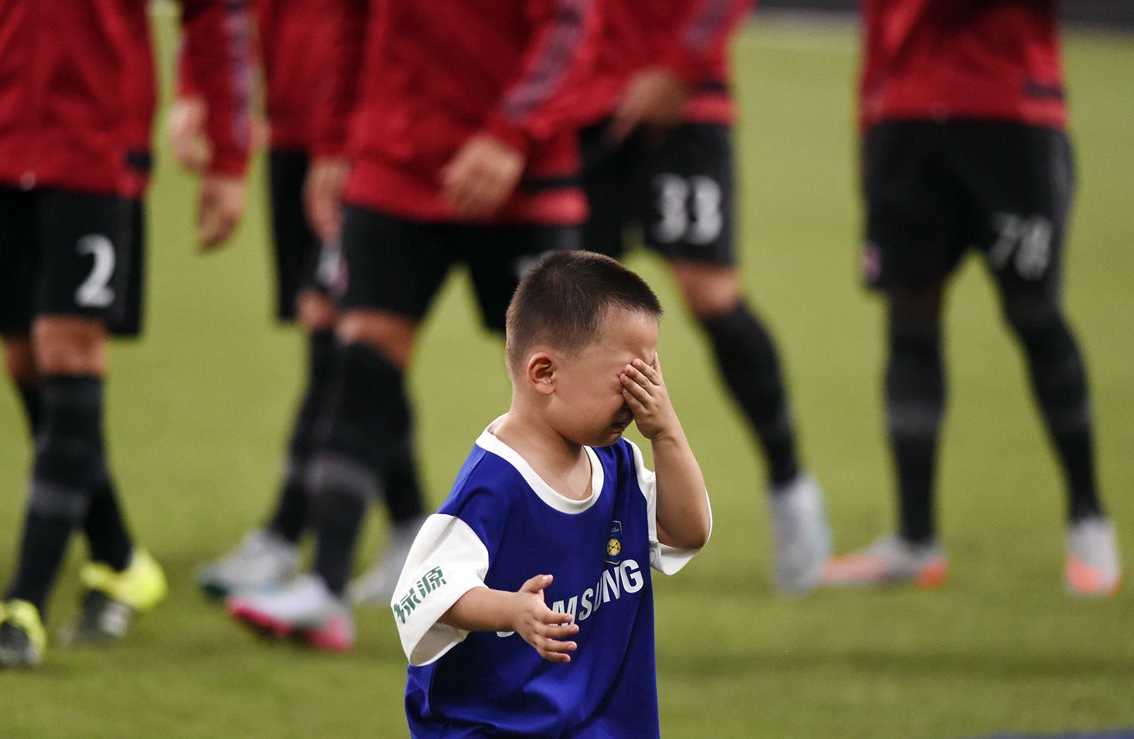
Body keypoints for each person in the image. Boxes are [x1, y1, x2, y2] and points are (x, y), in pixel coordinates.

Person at [223, 0, 598, 651]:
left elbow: (572, 23)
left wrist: (511, 133)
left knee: (564, 382)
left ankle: (578, 596)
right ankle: (325, 587)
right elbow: (353, 22)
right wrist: (336, 139)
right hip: (397, 158)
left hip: (522, 170)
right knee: (363, 359)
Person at [0, 0, 252, 668]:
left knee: (68, 350)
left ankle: (22, 605)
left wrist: (228, 154)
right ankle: (117, 557)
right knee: (23, 358)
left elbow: (213, 13)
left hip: (93, 146)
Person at [822, 0, 1121, 595]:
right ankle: (914, 538)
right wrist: (869, 119)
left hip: (1008, 111)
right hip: (904, 118)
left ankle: (1089, 521)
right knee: (909, 319)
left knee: (1033, 314)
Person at [169, 0, 427, 605]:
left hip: (360, 132)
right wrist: (197, 87)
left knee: (341, 329)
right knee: (340, 333)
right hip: (291, 125)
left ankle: (288, 532)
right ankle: (408, 528)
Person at [392, 251, 710, 736]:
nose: (640, 398)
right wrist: (510, 610)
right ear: (545, 373)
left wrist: (665, 432)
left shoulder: (617, 463)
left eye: (650, 378)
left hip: (601, 722)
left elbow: (688, 530)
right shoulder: (493, 485)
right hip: (495, 725)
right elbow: (420, 597)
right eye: (627, 378)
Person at [573, 0, 830, 593]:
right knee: (571, 311)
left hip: (681, 104)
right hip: (585, 101)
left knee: (710, 295)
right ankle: (569, 516)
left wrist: (678, 65)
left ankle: (790, 488)